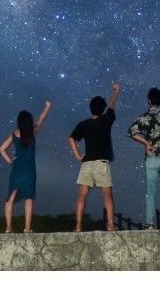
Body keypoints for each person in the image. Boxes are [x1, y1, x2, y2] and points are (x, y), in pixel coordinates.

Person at [68, 82, 121, 232]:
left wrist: (78, 156)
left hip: (87, 163)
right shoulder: (107, 120)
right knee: (107, 195)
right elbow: (111, 104)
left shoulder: (83, 124)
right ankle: (110, 225)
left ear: (90, 108)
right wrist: (116, 92)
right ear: (103, 109)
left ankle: (78, 226)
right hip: (101, 163)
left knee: (82, 196)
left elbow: (71, 138)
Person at [127, 85, 160, 229]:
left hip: (151, 157)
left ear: (149, 101)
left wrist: (145, 143)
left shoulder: (144, 117)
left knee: (150, 192)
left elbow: (131, 132)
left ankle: (150, 224)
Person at [0, 99, 53, 233]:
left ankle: (8, 228)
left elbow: (1, 149)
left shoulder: (14, 134)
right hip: (29, 169)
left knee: (10, 198)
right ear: (29, 121)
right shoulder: (33, 132)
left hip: (17, 168)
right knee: (29, 198)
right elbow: (42, 118)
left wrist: (10, 161)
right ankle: (27, 228)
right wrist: (47, 106)